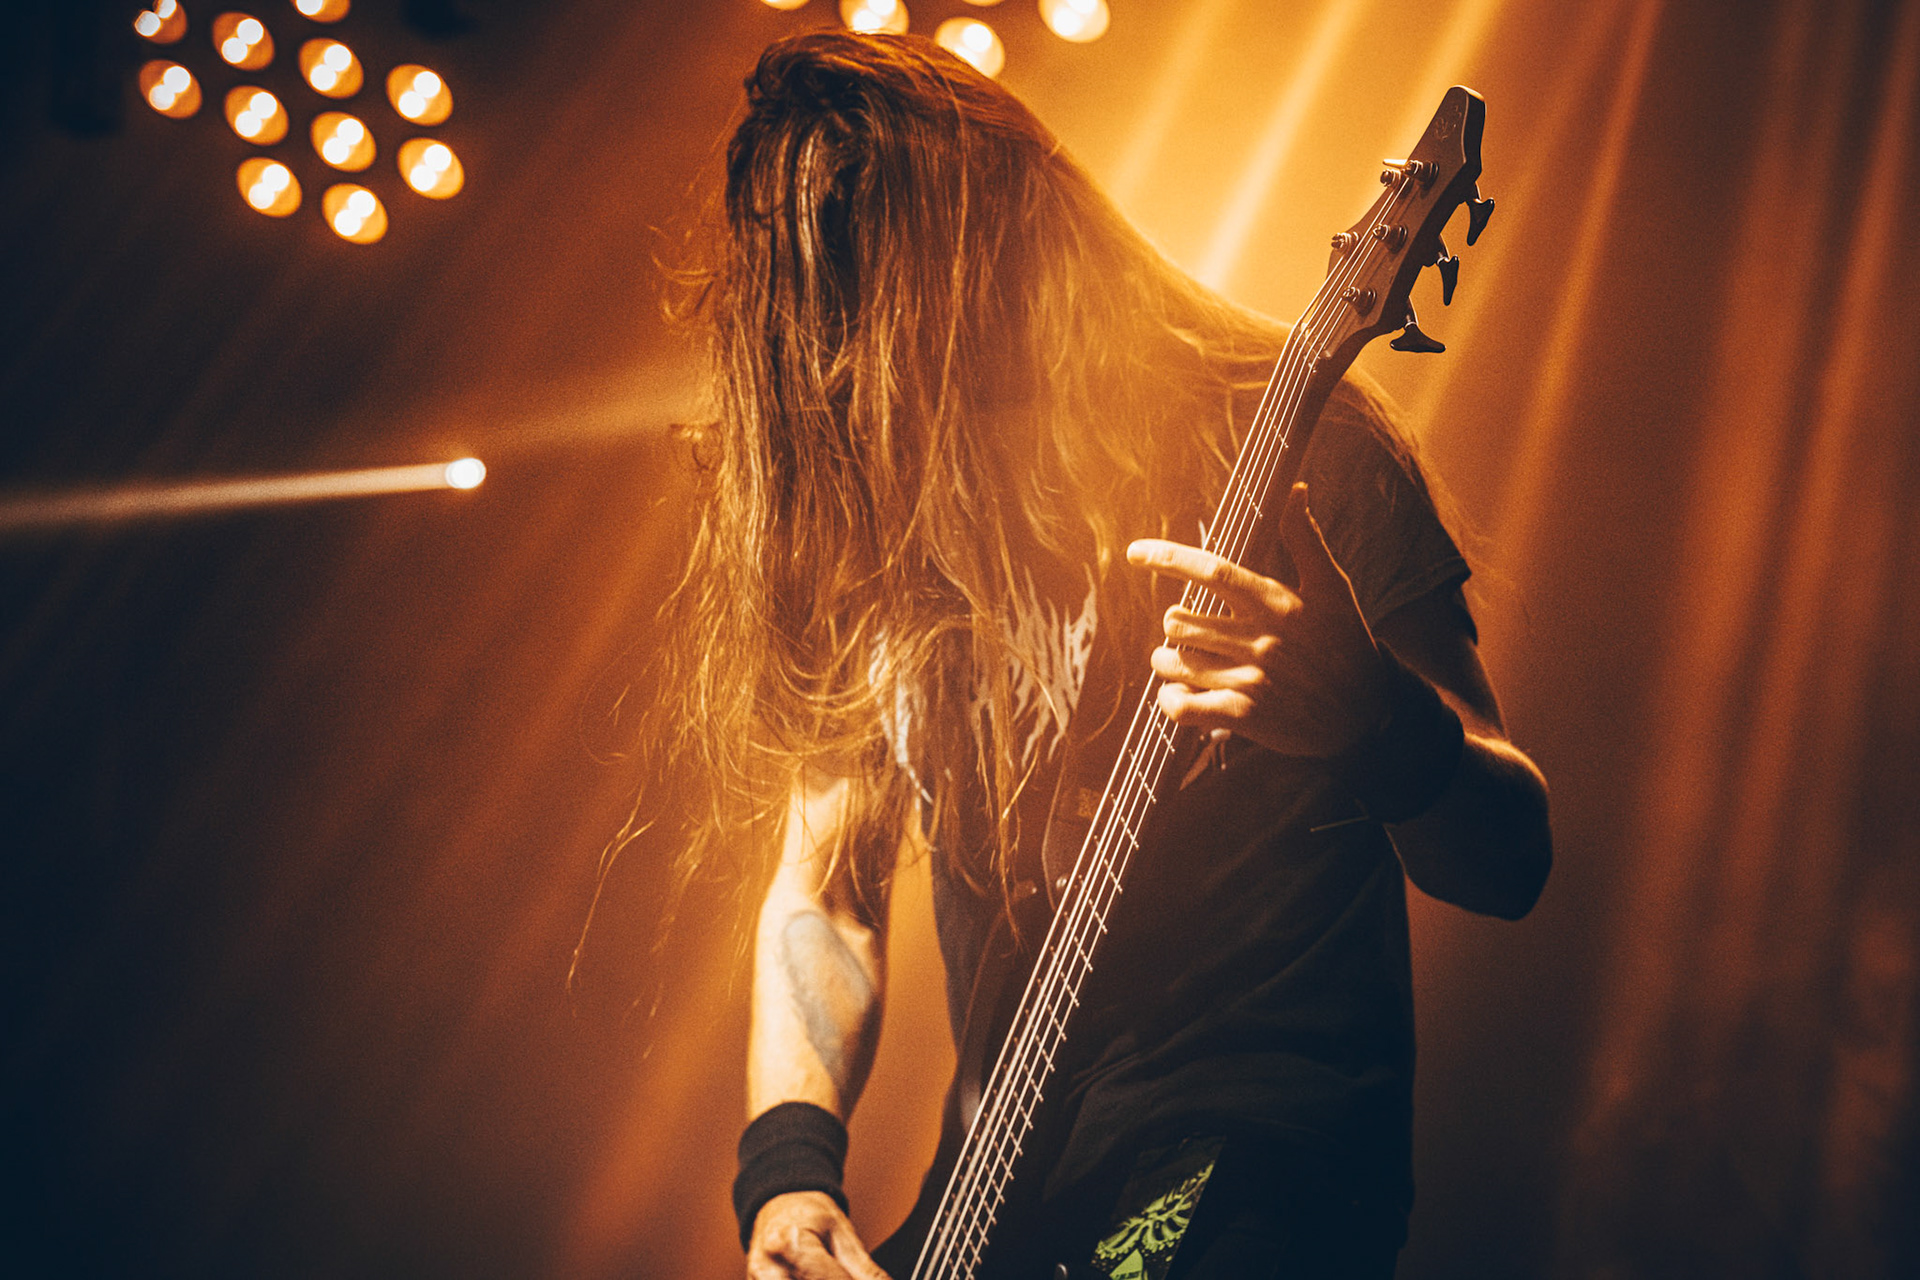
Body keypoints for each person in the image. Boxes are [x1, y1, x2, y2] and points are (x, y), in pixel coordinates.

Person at [649, 30, 1552, 1280]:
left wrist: (1378, 723)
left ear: (998, 250)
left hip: (1246, 1165)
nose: (854, 366)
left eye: (881, 297)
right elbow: (827, 887)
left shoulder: (1292, 442)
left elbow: (1513, 856)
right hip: (1000, 1198)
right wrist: (788, 1172)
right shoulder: (882, 527)